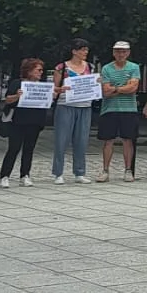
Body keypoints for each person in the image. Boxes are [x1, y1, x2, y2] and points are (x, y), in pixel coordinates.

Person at [96, 40, 143, 182]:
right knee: (108, 140)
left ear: (128, 53)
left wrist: (115, 88)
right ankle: (105, 170)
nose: (120, 54)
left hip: (129, 108)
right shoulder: (106, 68)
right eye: (118, 51)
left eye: (123, 51)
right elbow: (106, 91)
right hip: (109, 108)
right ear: (113, 53)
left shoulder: (134, 67)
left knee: (128, 140)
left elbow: (133, 88)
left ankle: (128, 170)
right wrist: (123, 87)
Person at [52, 39, 97, 184]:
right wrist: (60, 89)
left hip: (85, 106)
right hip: (65, 105)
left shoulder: (90, 67)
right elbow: (54, 89)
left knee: (81, 140)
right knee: (61, 140)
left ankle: (80, 172)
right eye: (82, 49)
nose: (85, 52)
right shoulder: (62, 67)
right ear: (74, 51)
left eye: (86, 50)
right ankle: (58, 172)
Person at [0, 58, 51, 187]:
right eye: (38, 70)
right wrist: (17, 96)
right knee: (14, 148)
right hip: (18, 121)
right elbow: (7, 100)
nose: (41, 72)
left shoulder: (42, 85)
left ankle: (25, 174)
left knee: (29, 149)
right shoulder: (17, 83)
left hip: (35, 121)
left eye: (41, 70)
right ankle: (5, 175)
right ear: (29, 71)